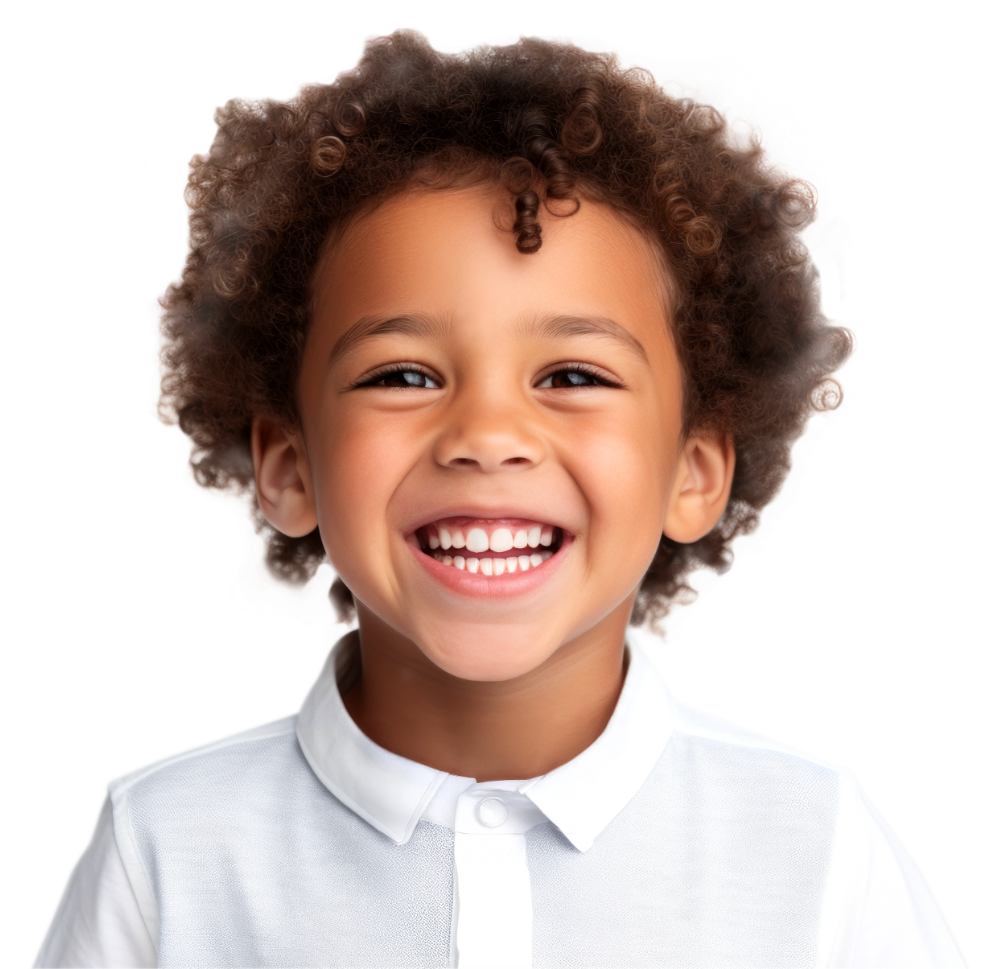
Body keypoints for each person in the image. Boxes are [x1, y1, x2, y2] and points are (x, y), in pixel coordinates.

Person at [29, 28, 971, 968]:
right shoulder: (164, 851)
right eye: (401, 375)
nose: (486, 434)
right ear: (289, 466)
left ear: (693, 471)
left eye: (572, 375)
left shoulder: (820, 852)